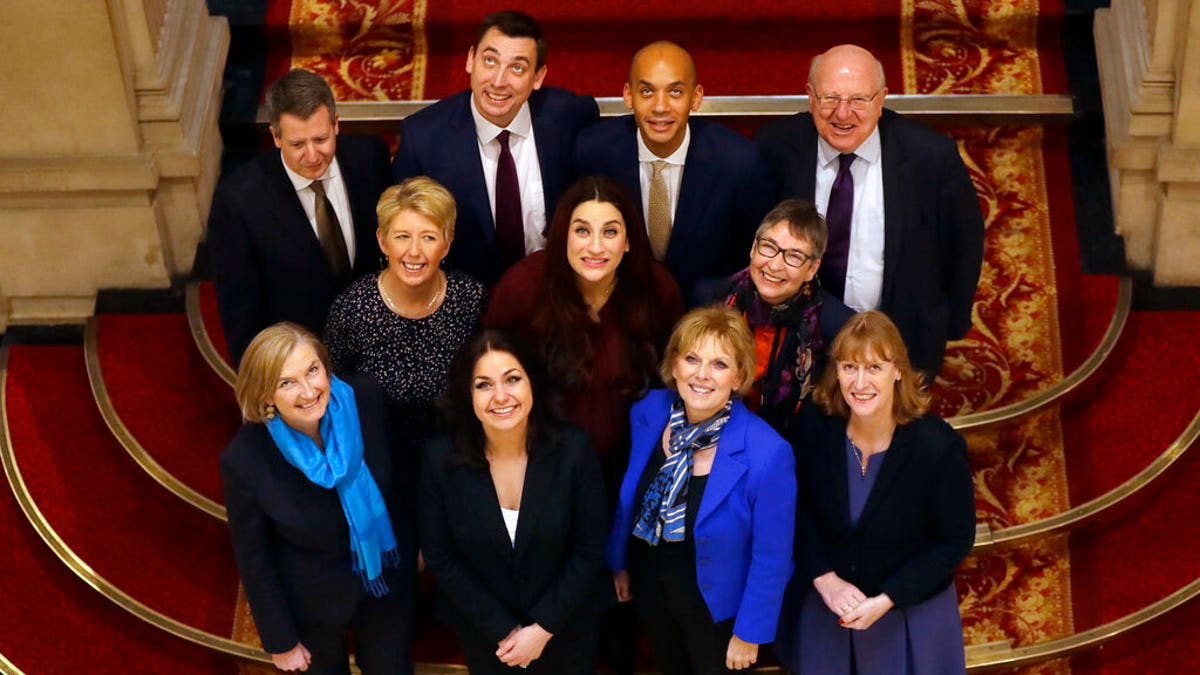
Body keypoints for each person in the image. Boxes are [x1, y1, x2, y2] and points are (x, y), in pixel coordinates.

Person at [755, 44, 985, 377]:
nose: (843, 113)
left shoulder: (931, 158)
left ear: (881, 99)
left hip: (898, 342)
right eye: (830, 98)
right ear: (810, 96)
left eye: (859, 100)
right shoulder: (776, 146)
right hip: (793, 342)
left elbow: (964, 243)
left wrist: (949, 323)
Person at [775, 310, 976, 674]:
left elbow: (955, 540)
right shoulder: (814, 427)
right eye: (849, 367)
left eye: (874, 368)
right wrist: (825, 579)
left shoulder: (938, 448)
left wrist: (888, 599)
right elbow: (794, 509)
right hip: (827, 610)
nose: (860, 382)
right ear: (835, 372)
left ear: (898, 371)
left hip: (907, 615)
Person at [608, 305, 796, 674]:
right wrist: (619, 564)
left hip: (717, 611)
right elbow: (628, 498)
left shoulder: (768, 453)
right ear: (674, 365)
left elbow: (773, 557)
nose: (701, 375)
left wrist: (749, 633)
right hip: (652, 591)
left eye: (719, 364)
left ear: (740, 375)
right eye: (691, 358)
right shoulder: (648, 412)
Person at [220, 323, 412, 674]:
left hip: (384, 575)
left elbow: (398, 479)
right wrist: (281, 641)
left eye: (313, 370)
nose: (309, 390)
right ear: (265, 395)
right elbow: (254, 556)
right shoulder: (245, 459)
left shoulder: (364, 398)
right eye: (286, 382)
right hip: (312, 601)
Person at [420, 330, 611, 674]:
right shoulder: (440, 459)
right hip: (488, 637)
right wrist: (503, 630)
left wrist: (542, 628)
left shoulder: (574, 449)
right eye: (483, 385)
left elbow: (590, 549)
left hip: (566, 630)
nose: (501, 396)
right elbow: (441, 556)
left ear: (532, 383)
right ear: (468, 394)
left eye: (512, 379)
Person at [484, 175, 683, 499]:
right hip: (541, 471)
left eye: (610, 232)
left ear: (628, 240)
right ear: (563, 236)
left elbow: (677, 383)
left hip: (634, 471)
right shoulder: (522, 287)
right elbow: (490, 379)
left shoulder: (658, 290)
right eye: (582, 230)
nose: (595, 247)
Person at [392, 10, 599, 285]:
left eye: (517, 68)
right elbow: (401, 227)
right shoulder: (424, 137)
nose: (499, 81)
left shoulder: (569, 117)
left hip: (554, 292)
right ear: (470, 60)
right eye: (490, 61)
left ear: (538, 77)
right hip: (463, 298)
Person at [208, 68, 392, 366]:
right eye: (297, 144)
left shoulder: (370, 158)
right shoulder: (238, 202)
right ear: (275, 137)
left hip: (379, 345)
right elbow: (240, 312)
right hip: (301, 363)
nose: (311, 155)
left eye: (320, 139)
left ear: (336, 124)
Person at [574, 41, 776, 303]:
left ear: (696, 97)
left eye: (675, 92)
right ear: (628, 95)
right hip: (617, 309)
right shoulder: (593, 152)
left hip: (706, 316)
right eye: (647, 91)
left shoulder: (740, 162)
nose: (660, 106)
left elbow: (752, 256)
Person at [324, 176, 487, 493]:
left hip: (460, 466)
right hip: (380, 471)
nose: (414, 252)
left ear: (447, 243)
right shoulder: (352, 309)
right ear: (383, 241)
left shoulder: (471, 299)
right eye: (402, 236)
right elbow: (335, 398)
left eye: (428, 237)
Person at [716, 199, 853, 433]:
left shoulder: (836, 328)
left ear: (812, 269)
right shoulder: (714, 299)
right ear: (753, 248)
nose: (775, 265)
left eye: (794, 256)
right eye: (769, 246)